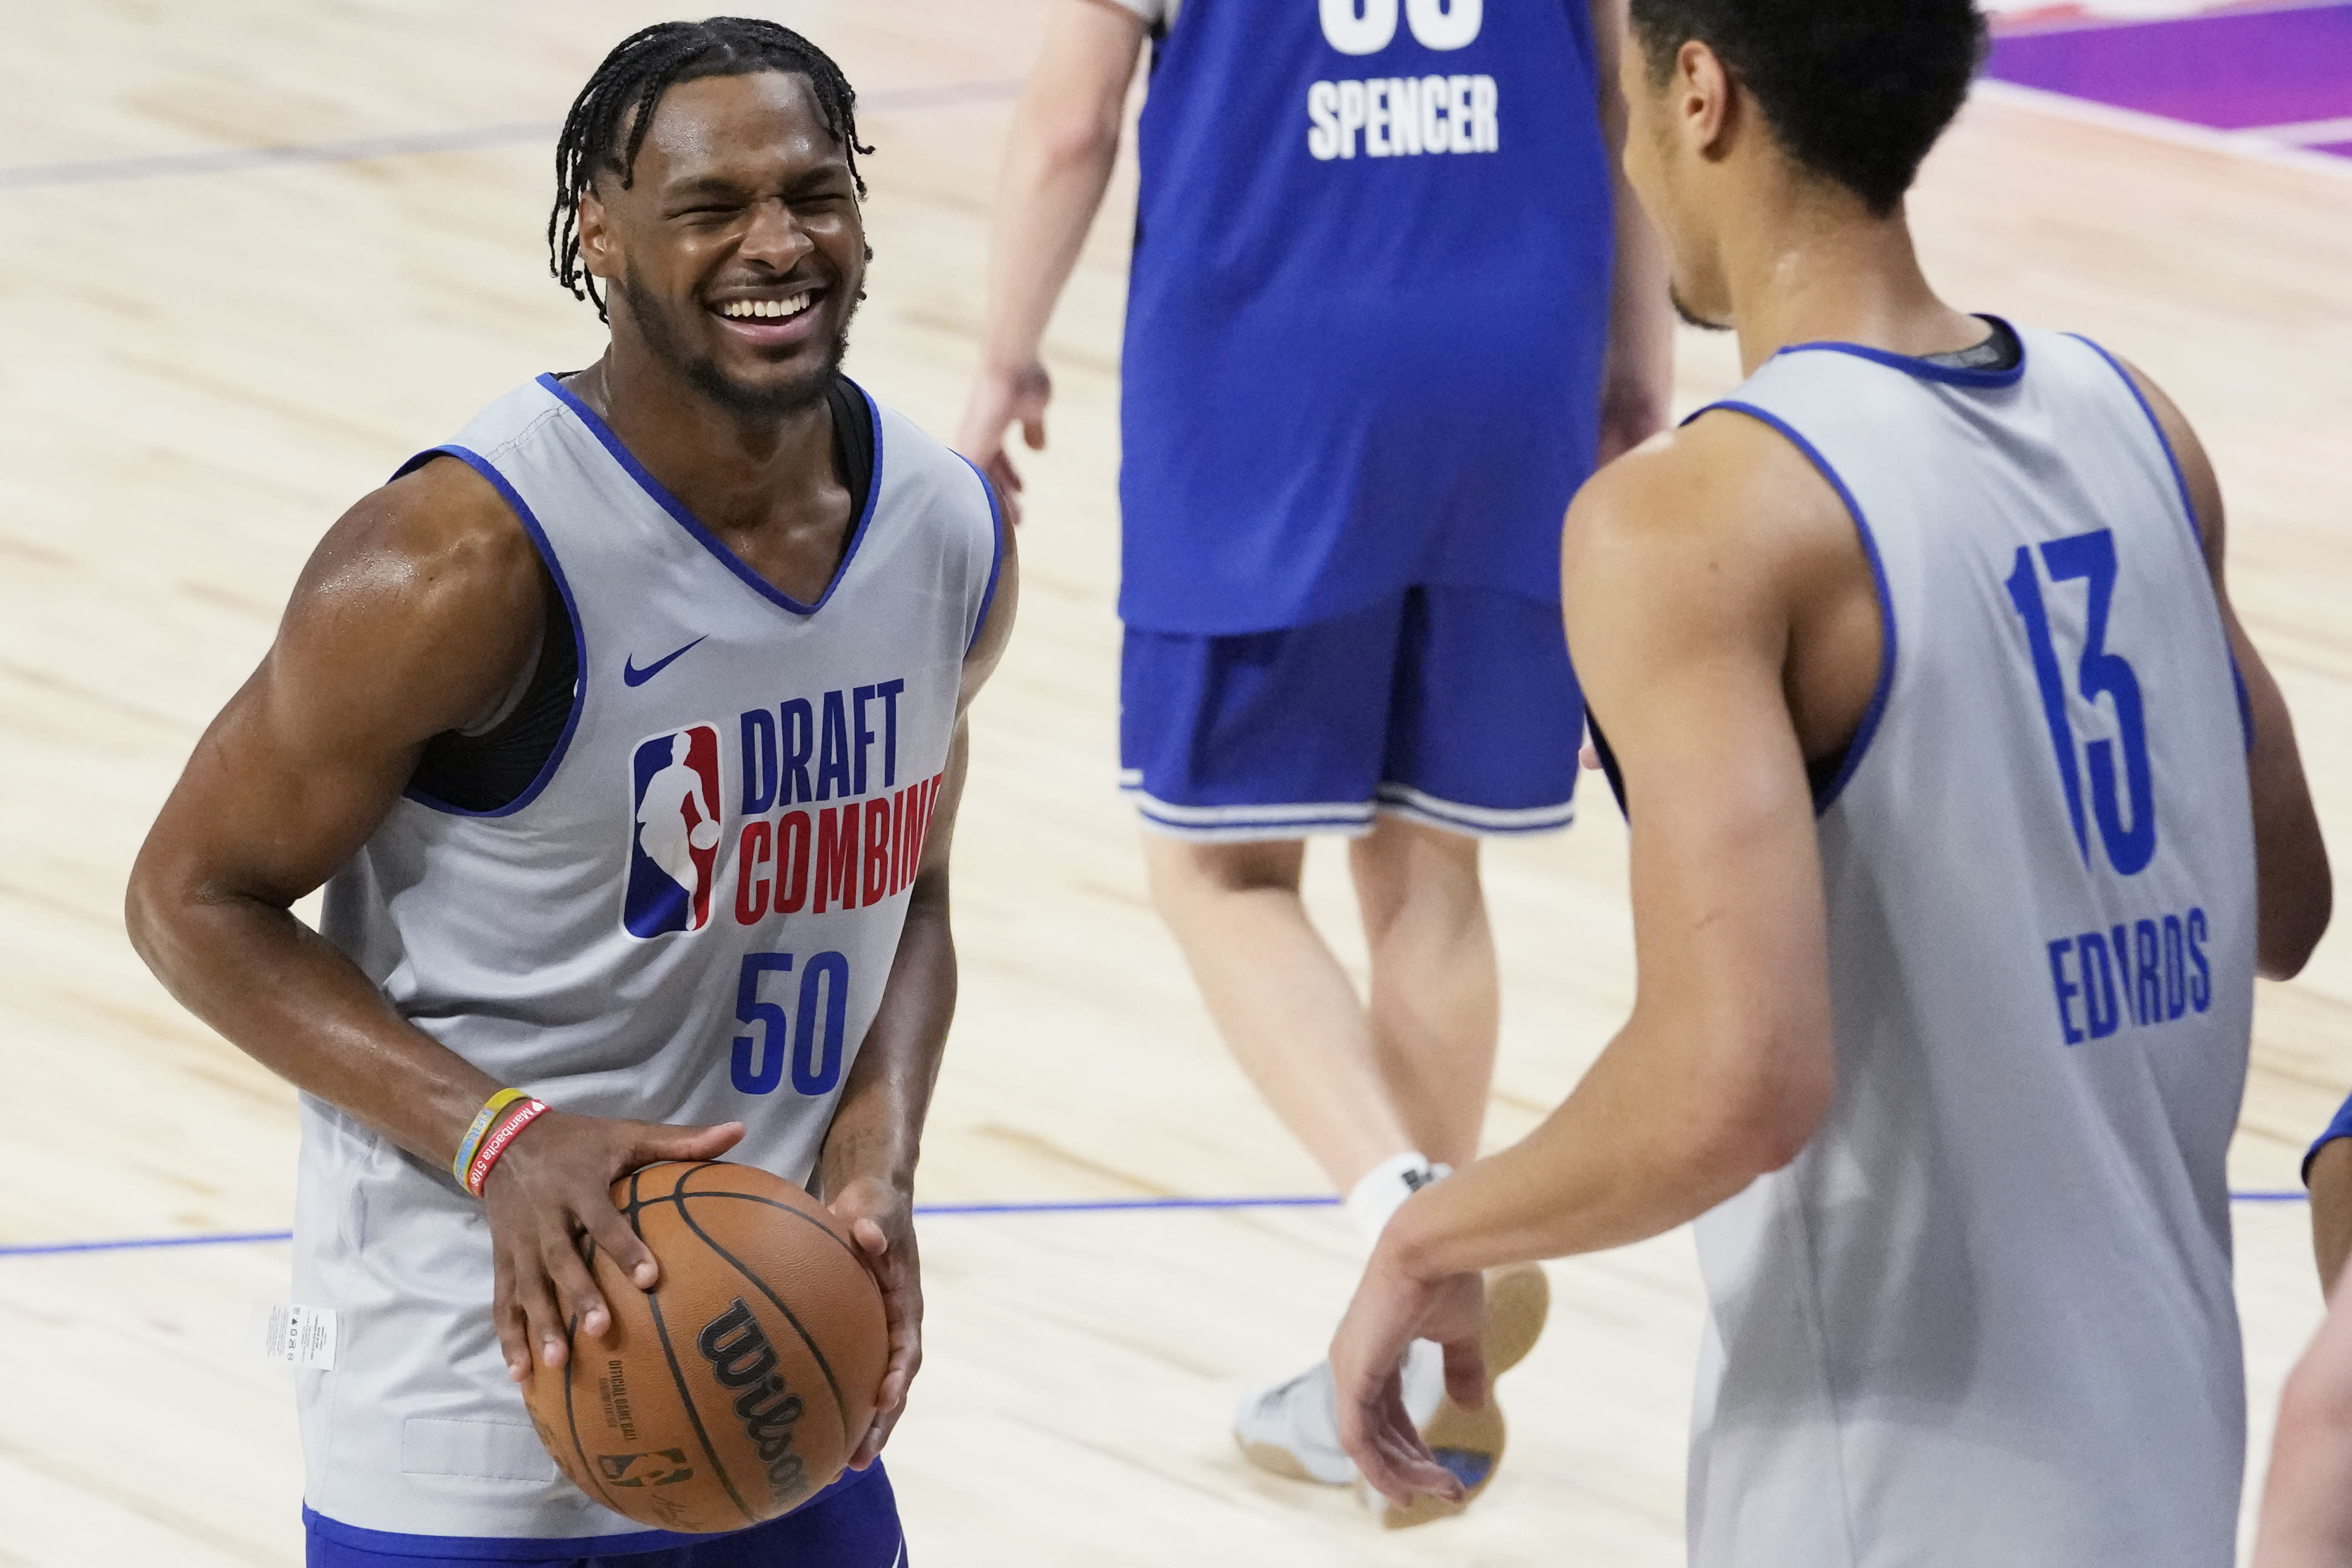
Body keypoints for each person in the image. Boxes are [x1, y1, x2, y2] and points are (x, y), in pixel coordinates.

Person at [1327, 0, 2332, 1560]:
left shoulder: (1698, 520)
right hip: (2176, 1457)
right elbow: (2287, 900)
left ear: (1702, 96)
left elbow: (1739, 1078)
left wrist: (1430, 1229)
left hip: (1898, 1492)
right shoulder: (2135, 419)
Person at [124, 19, 1012, 1566]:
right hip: (465, 1385)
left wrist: (880, 1152)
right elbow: (189, 899)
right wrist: (500, 1137)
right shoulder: (454, 565)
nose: (777, 244)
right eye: (712, 206)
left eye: (815, 192)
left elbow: (914, 891)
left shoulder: (943, 527)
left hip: (778, 1357)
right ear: (599, 235)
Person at [955, 0, 1672, 1518]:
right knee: (1430, 865)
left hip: (1272, 383)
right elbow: (1628, 99)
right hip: (1512, 356)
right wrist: (1636, 357)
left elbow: (1073, 121)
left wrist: (1000, 364)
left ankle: (1413, 1225)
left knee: (1213, 865)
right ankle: (1421, 1377)